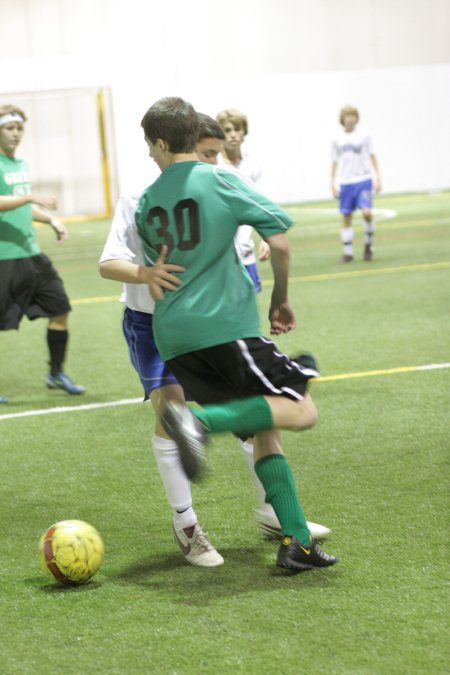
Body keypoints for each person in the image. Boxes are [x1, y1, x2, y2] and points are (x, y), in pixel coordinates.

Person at [99, 113, 329, 568]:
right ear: (194, 142)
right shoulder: (217, 180)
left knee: (265, 429)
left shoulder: (148, 200)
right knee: (302, 409)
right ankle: (199, 428)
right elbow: (279, 241)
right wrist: (279, 297)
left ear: (162, 143)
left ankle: (296, 542)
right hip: (220, 327)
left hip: (175, 333)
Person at [0, 104, 85, 397]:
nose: (15, 133)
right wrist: (31, 197)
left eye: (19, 128)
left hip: (32, 256)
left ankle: (56, 372)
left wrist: (51, 219)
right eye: (9, 128)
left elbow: (21, 205)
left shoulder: (19, 164)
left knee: (60, 308)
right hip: (4, 259)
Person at [216, 108, 270, 292]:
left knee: (249, 310)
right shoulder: (214, 165)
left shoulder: (253, 164)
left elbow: (261, 204)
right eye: (227, 130)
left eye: (237, 129)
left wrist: (265, 238)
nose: (232, 135)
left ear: (244, 131)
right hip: (220, 255)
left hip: (246, 252)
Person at [331, 105, 381, 263]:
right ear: (342, 118)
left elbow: (373, 155)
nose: (350, 118)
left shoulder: (365, 135)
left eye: (353, 115)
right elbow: (334, 162)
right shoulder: (336, 139)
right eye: (347, 115)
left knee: (367, 212)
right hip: (346, 182)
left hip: (363, 180)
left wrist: (377, 177)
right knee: (346, 216)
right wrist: (332, 183)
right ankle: (348, 253)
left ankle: (368, 243)